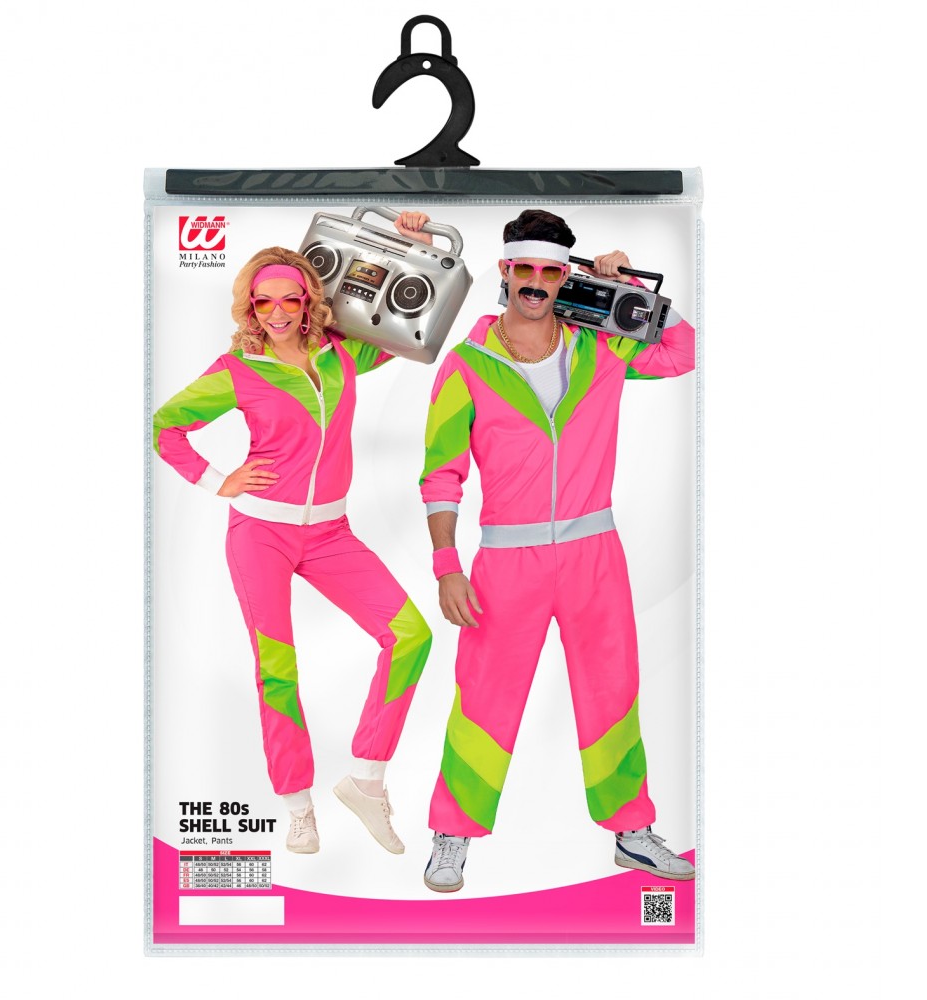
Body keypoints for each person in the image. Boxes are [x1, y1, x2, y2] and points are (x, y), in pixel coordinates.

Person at [412, 209, 696, 892]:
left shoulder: (604, 348)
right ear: (506, 271)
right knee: (484, 698)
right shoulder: (467, 366)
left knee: (612, 691)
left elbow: (684, 351)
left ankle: (631, 832)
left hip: (595, 554)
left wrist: (631, 289)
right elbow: (441, 474)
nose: (535, 283)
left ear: (564, 276)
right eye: (524, 269)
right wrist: (447, 566)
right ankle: (452, 834)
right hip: (506, 564)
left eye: (549, 271)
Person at [153, 224, 434, 856]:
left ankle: (367, 781)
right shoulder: (237, 371)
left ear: (309, 300)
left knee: (411, 636)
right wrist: (217, 480)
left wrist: (408, 237)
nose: (276, 313)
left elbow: (416, 322)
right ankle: (297, 808)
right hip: (261, 534)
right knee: (277, 669)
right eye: (263, 302)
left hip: (332, 533)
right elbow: (165, 426)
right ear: (249, 307)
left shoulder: (344, 354)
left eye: (289, 299)